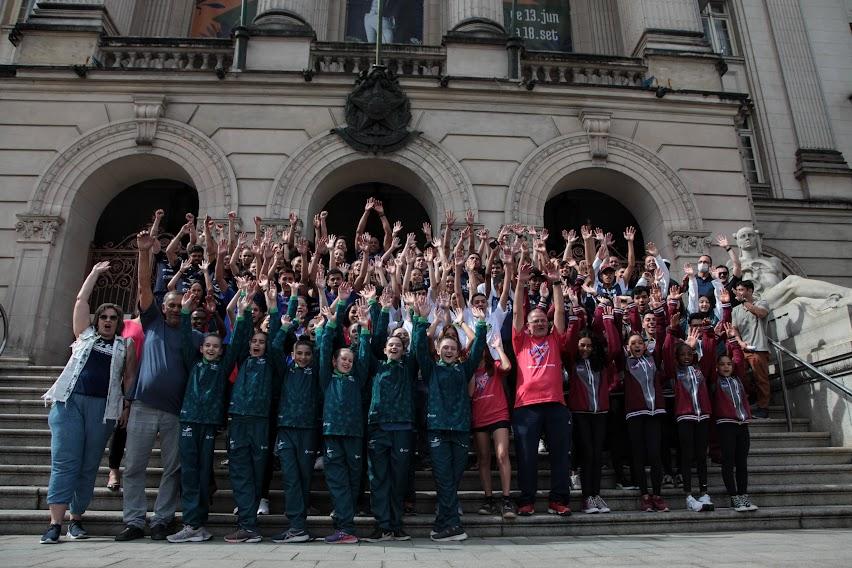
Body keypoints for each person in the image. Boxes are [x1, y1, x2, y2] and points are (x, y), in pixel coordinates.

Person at [40, 262, 137, 544]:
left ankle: (76, 519)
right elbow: (81, 301)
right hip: (69, 404)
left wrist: (127, 407)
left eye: (113, 318)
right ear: (97, 320)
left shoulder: (125, 345)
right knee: (65, 462)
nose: (108, 320)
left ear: (119, 323)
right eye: (104, 316)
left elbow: (128, 377)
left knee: (88, 464)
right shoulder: (84, 334)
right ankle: (54, 523)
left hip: (103, 409)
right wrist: (94, 274)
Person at [116, 232, 201, 542]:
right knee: (134, 467)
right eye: (171, 304)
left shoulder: (192, 335)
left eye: (181, 305)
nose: (176, 308)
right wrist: (143, 253)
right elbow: (142, 286)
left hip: (175, 413)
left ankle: (163, 520)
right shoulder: (152, 321)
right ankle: (134, 521)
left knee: (171, 470)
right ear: (163, 306)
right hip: (142, 406)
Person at [166, 289, 251, 543]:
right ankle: (193, 523)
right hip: (189, 421)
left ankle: (196, 523)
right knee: (189, 472)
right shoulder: (193, 362)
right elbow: (183, 338)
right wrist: (184, 312)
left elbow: (236, 345)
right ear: (201, 348)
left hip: (210, 423)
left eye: (216, 346)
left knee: (202, 474)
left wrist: (243, 315)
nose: (212, 349)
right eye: (208, 346)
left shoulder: (223, 366)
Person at [412, 299, 488, 542]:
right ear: (438, 348)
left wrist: (481, 324)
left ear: (457, 351)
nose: (448, 351)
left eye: (453, 348)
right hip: (437, 431)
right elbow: (418, 347)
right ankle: (452, 525)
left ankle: (442, 524)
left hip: (460, 430)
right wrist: (422, 319)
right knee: (444, 478)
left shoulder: (464, 369)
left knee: (452, 480)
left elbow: (477, 350)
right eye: (445, 347)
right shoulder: (431, 368)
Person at [511, 260, 573, 516]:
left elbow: (559, 312)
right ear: (527, 326)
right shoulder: (520, 340)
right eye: (534, 321)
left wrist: (557, 282)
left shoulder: (554, 339)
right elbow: (516, 313)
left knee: (560, 455)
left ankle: (558, 500)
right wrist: (520, 283)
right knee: (527, 457)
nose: (538, 324)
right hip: (526, 407)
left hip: (556, 404)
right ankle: (527, 500)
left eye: (541, 321)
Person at [224, 284, 283, 544]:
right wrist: (244, 311)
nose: (257, 344)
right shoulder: (240, 358)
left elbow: (277, 337)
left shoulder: (272, 361)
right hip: (238, 420)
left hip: (260, 422)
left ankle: (249, 525)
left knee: (257, 473)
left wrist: (273, 306)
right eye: (254, 341)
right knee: (239, 472)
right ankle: (246, 524)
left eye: (262, 342)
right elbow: (238, 337)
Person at [316, 303, 372, 544]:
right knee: (337, 481)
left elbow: (364, 355)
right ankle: (344, 527)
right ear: (334, 362)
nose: (347, 363)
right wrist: (330, 323)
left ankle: (346, 527)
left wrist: (365, 325)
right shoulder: (326, 379)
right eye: (343, 359)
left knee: (352, 481)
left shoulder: (357, 379)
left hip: (354, 435)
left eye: (350, 359)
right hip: (332, 434)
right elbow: (325, 348)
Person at [566, 305, 621, 514]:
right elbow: (569, 346)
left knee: (597, 455)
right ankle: (586, 496)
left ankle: (595, 495)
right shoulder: (573, 361)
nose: (585, 349)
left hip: (600, 414)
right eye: (582, 345)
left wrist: (608, 319)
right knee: (587, 453)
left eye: (589, 345)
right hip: (580, 414)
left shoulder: (600, 363)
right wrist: (574, 319)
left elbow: (615, 349)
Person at [713, 323, 758, 512]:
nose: (726, 367)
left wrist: (733, 341)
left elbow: (739, 361)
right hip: (725, 425)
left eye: (728, 364)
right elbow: (708, 362)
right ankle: (734, 497)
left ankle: (743, 495)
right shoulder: (715, 382)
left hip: (742, 424)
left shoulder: (738, 379)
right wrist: (715, 339)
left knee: (742, 462)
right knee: (729, 461)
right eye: (722, 364)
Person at [470, 335, 515, 520]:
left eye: (481, 347)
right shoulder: (470, 370)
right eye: (475, 348)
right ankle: (489, 499)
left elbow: (507, 366)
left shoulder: (494, 367)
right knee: (483, 459)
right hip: (479, 417)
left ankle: (506, 498)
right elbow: (470, 393)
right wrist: (471, 369)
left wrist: (498, 348)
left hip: (499, 414)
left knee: (502, 454)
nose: (479, 351)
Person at [731, 280, 771, 419]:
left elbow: (761, 313)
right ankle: (750, 400)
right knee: (741, 376)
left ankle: (763, 408)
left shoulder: (761, 302)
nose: (739, 293)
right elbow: (734, 329)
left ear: (750, 291)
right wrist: (740, 342)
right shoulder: (735, 310)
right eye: (738, 290)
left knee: (761, 378)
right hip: (743, 348)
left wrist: (745, 303)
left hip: (759, 347)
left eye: (742, 290)